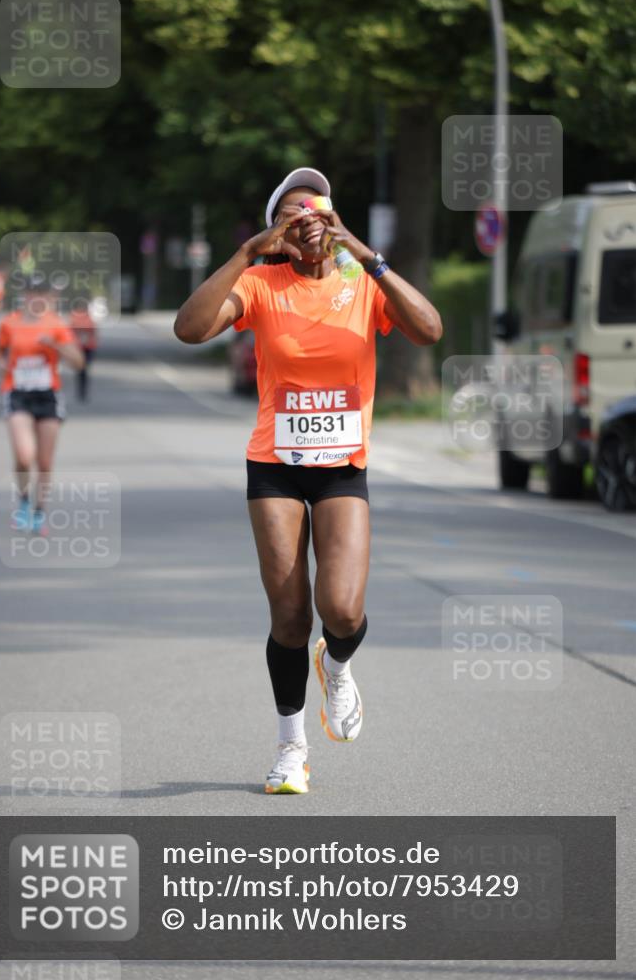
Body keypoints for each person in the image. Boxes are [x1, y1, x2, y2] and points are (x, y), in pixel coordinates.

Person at [174, 167, 442, 794]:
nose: (309, 217)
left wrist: (365, 253)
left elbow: (429, 329)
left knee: (341, 611)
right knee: (291, 616)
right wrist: (247, 252)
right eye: (294, 212)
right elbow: (189, 329)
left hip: (343, 467)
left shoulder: (361, 281)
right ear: (280, 227)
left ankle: (339, 663)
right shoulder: (261, 283)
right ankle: (291, 748)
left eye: (319, 207)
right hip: (275, 466)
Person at [0, 279, 84, 534]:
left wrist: (55, 345)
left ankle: (39, 511)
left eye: (41, 294)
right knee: (24, 455)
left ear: (49, 297)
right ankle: (23, 502)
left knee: (44, 461)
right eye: (32, 294)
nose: (37, 299)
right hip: (17, 393)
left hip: (47, 395)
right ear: (25, 296)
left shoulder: (56, 325)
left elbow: (78, 363)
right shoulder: (9, 323)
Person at [69, 303, 98, 402]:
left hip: (87, 348)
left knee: (83, 371)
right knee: (81, 371)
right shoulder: (76, 317)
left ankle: (83, 392)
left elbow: (92, 332)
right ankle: (81, 392)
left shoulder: (87, 318)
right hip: (79, 348)